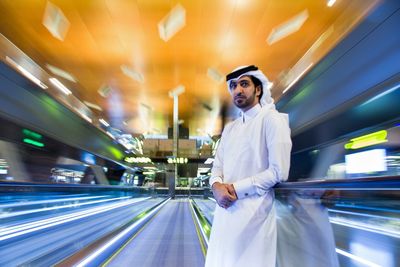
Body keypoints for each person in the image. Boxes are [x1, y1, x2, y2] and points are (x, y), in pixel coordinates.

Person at [205, 65, 292, 267]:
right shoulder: (230, 129)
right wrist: (216, 186)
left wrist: (235, 189)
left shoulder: (272, 120)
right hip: (225, 214)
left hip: (255, 218)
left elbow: (279, 171)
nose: (238, 90)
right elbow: (217, 167)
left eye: (244, 84)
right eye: (234, 86)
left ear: (258, 89)